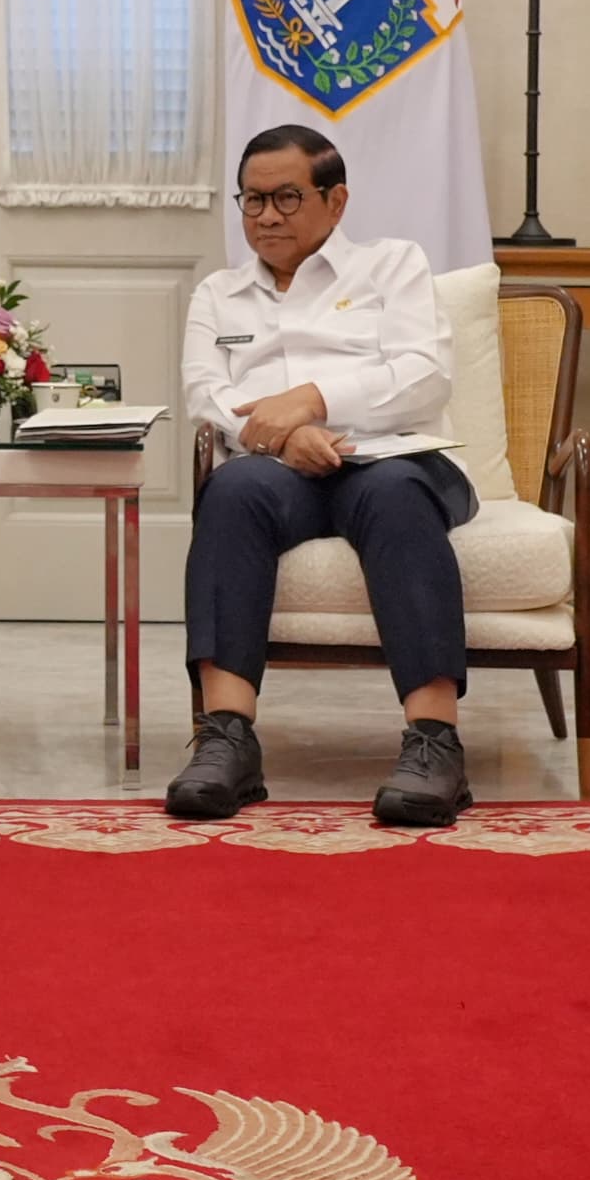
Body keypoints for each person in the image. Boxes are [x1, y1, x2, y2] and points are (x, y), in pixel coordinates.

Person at [164, 125, 477, 829]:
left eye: (286, 197)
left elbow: (423, 375)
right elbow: (206, 394)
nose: (266, 216)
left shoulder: (392, 265)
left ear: (335, 201)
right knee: (230, 490)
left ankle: (435, 743)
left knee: (394, 496)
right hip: (279, 470)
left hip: (394, 458)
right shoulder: (219, 293)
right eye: (252, 200)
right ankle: (226, 739)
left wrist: (313, 400)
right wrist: (286, 434)